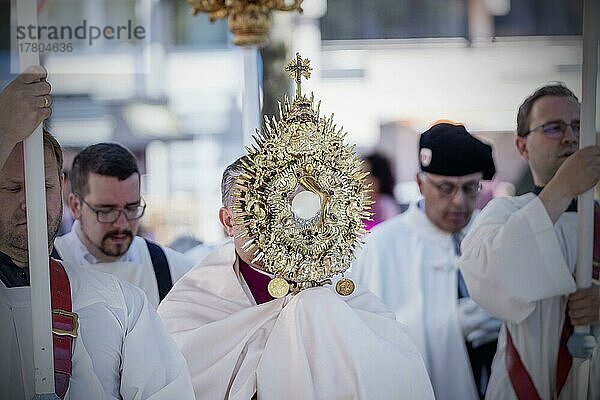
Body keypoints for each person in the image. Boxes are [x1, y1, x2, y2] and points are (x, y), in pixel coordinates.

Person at [157, 157, 435, 400]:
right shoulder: (191, 303)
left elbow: (396, 369)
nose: (272, 225)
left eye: (280, 208)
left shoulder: (340, 291)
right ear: (228, 221)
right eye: (256, 212)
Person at [0, 67, 194, 399]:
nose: (30, 204)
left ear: (60, 189)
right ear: (76, 204)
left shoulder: (124, 303)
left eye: (43, 187)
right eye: (14, 188)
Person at [460, 84, 600, 399]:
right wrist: (562, 188)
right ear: (522, 146)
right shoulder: (505, 212)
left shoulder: (598, 219)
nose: (570, 137)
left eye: (578, 126)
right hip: (522, 382)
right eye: (554, 128)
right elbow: (487, 278)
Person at [352, 122, 501, 400]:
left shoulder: (495, 236)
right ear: (420, 183)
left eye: (470, 188)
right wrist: (449, 326)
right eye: (445, 188)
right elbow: (370, 340)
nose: (459, 201)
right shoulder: (381, 246)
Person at [53, 143, 194, 308]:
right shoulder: (46, 268)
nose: (121, 223)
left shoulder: (173, 269)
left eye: (131, 208)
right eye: (106, 210)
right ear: (76, 206)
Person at [362, 152, 402, 229]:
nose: (361, 180)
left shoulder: (387, 207)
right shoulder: (353, 206)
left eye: (365, 176)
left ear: (378, 180)